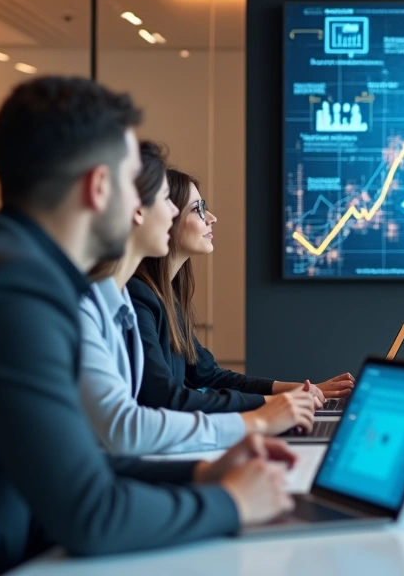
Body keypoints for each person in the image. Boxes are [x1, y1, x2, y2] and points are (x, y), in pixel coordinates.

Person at [0, 77, 293, 575]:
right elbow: (91, 515)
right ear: (99, 187)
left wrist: (200, 472)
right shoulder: (11, 292)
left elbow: (73, 460)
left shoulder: (2, 263)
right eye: (135, 182)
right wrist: (235, 504)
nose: (151, 206)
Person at [79, 141, 321, 455]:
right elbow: (143, 416)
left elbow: (200, 376)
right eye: (170, 200)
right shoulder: (122, 301)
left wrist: (282, 397)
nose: (173, 212)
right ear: (136, 210)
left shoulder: (129, 300)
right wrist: (263, 414)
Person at [130, 168, 353, 413]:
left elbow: (209, 375)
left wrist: (298, 390)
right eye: (197, 209)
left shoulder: (168, 298)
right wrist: (274, 404)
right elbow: (166, 397)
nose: (211, 218)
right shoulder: (138, 297)